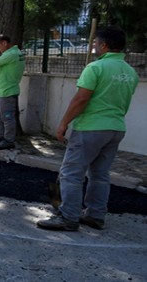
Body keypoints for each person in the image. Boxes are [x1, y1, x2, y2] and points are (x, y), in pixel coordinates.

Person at [37, 26, 139, 231]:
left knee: (71, 173)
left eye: (95, 43)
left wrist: (64, 122)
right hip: (116, 128)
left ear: (104, 45)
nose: (93, 47)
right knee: (100, 174)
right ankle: (95, 214)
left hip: (91, 127)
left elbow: (81, 98)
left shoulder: (95, 68)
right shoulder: (130, 72)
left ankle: (68, 217)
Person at [0, 34, 26, 150]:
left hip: (7, 92)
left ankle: (8, 140)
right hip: (1, 91)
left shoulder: (11, 54)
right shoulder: (13, 53)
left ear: (4, 43)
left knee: (7, 118)